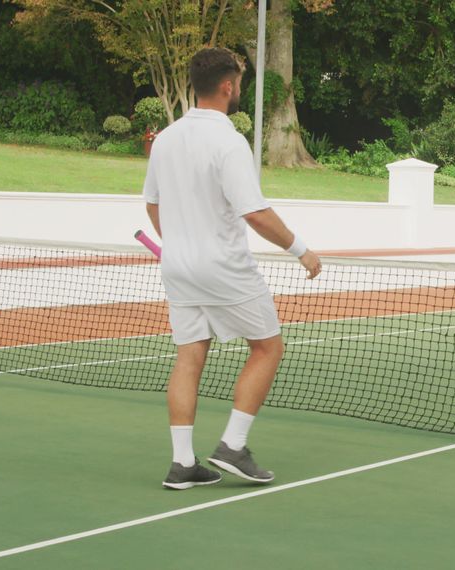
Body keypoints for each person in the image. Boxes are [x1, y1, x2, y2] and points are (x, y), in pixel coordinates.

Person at [144, 47, 322, 490]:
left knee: (189, 356)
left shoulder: (166, 138)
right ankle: (232, 446)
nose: (240, 88)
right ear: (228, 86)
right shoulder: (229, 141)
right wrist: (302, 250)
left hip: (178, 268)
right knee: (268, 347)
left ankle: (183, 463)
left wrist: (180, 244)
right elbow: (255, 213)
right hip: (223, 268)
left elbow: (152, 204)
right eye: (239, 82)